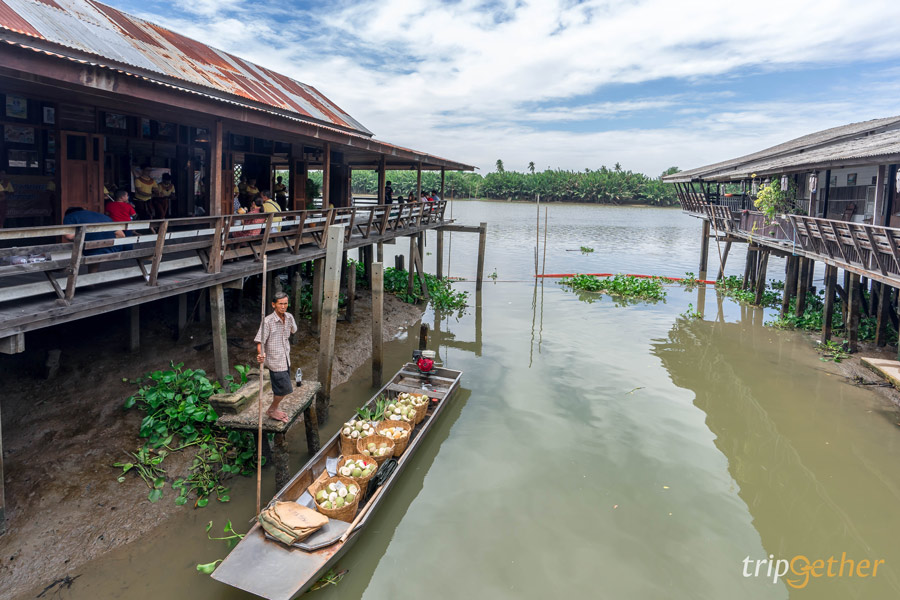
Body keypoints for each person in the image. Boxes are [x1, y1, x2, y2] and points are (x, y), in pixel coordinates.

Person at [255, 292, 297, 422]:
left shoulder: (289, 317)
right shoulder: (268, 321)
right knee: (285, 389)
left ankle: (275, 408)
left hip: (285, 358)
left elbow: (293, 330)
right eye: (280, 304)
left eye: (285, 303)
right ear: (274, 305)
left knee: (279, 388)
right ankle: (272, 410)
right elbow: (260, 342)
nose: (283, 306)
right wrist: (261, 354)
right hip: (274, 360)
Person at [63, 207, 125, 272]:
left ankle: (89, 275)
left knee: (89, 248)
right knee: (95, 248)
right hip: (113, 250)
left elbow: (69, 236)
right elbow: (121, 235)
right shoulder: (103, 216)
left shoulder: (69, 217)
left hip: (92, 250)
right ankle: (92, 275)